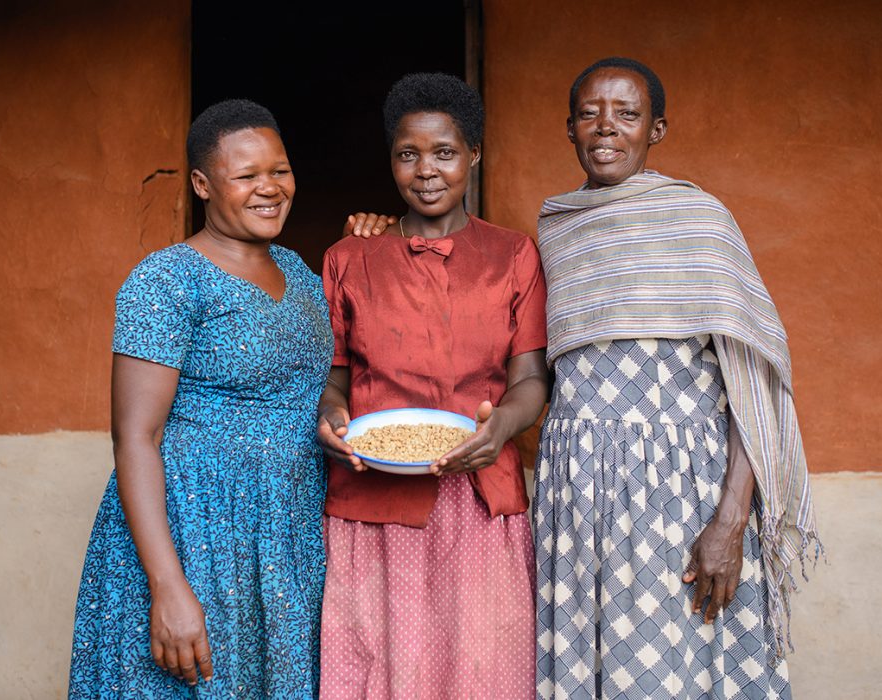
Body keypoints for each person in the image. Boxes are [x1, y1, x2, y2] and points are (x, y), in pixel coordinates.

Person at [532, 57, 821, 698]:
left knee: (680, 669)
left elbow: (754, 383)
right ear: (569, 128)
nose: (606, 128)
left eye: (627, 115)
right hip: (577, 495)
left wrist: (730, 520)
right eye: (589, 113)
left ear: (657, 130)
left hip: (681, 494)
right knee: (594, 665)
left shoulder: (701, 222)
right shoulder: (557, 230)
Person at [68, 99, 334, 698]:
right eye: (246, 176)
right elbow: (136, 436)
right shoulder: (166, 280)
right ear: (202, 184)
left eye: (280, 170)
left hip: (285, 540)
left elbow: (307, 394)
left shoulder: (301, 273)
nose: (270, 188)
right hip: (194, 536)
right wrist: (167, 585)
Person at [315, 73, 550, 699]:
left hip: (479, 497)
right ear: (390, 159)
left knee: (482, 673)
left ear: (473, 155)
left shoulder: (513, 255)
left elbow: (529, 379)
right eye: (408, 153)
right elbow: (333, 381)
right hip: (373, 503)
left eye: (445, 152)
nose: (426, 170)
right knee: (380, 672)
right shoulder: (348, 258)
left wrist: (501, 425)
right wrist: (332, 419)